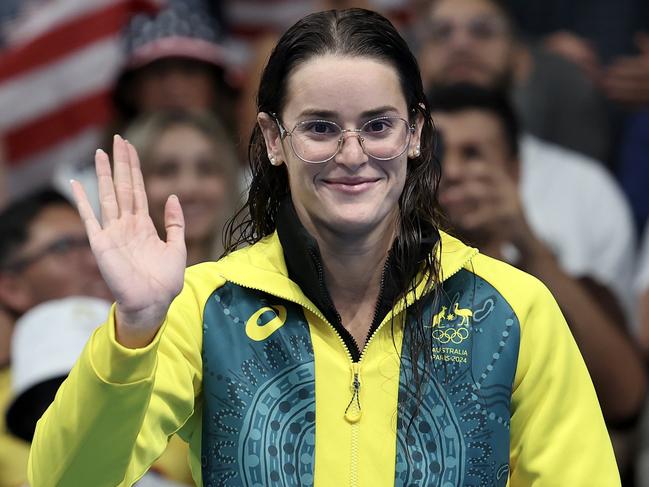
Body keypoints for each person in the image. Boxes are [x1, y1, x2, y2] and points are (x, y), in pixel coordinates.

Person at [30, 8, 618, 486]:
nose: (353, 153)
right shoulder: (206, 306)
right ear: (272, 140)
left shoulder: (513, 307)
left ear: (414, 133)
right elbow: (68, 479)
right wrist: (134, 328)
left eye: (378, 125)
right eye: (320, 127)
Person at [428, 84, 646, 458]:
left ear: (514, 171)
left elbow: (626, 402)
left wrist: (527, 242)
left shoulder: (569, 288)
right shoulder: (388, 291)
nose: (453, 172)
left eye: (473, 154)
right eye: (439, 156)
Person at [417, 0, 612, 163]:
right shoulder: (396, 164)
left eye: (482, 31)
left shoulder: (578, 177)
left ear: (519, 57)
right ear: (420, 59)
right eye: (442, 32)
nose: (460, 45)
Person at [123, 110, 241, 264]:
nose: (188, 188)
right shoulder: (100, 283)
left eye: (206, 169)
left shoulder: (264, 276)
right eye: (166, 170)